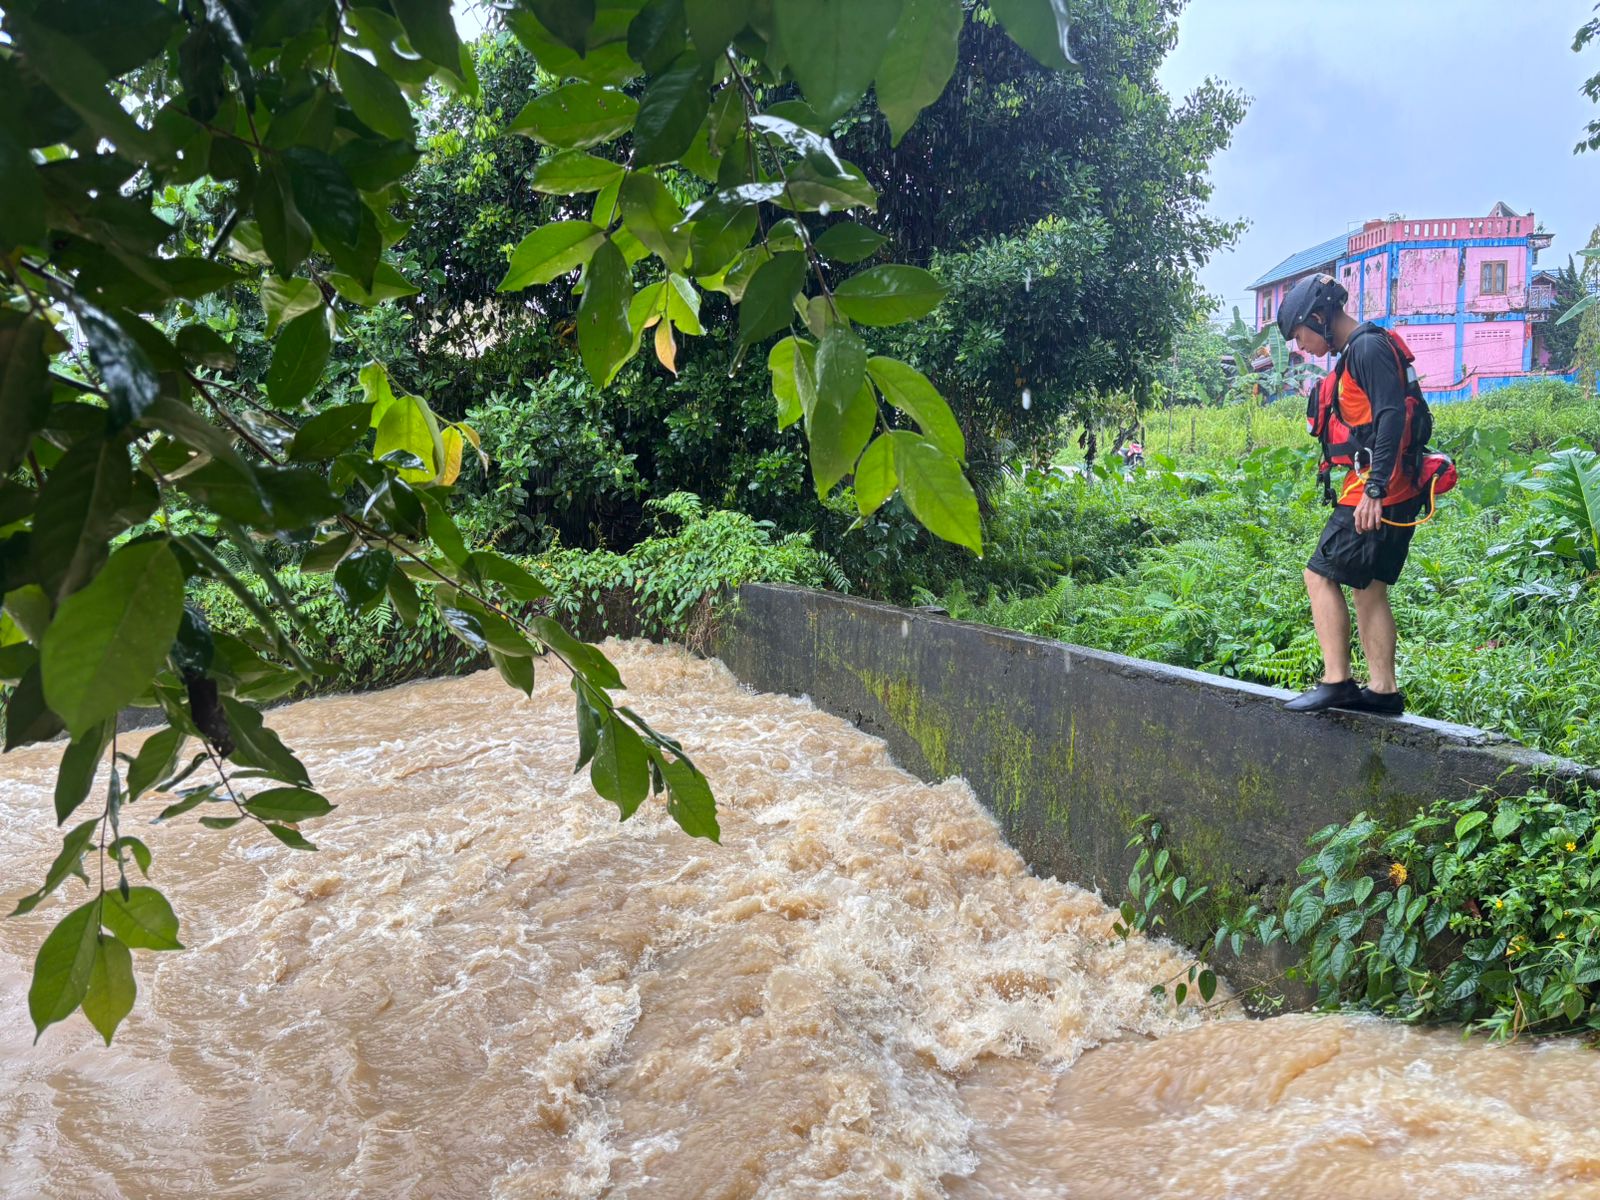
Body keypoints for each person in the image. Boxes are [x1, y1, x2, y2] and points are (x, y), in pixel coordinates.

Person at [1275, 273, 1432, 716]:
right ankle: (1382, 692)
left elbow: (1389, 418)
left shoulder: (1365, 348)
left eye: (1299, 334)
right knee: (1369, 588)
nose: (1299, 345)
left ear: (1319, 317)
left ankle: (1336, 681)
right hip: (1390, 488)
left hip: (1377, 490)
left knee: (1319, 575)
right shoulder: (1362, 349)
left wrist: (1375, 490)